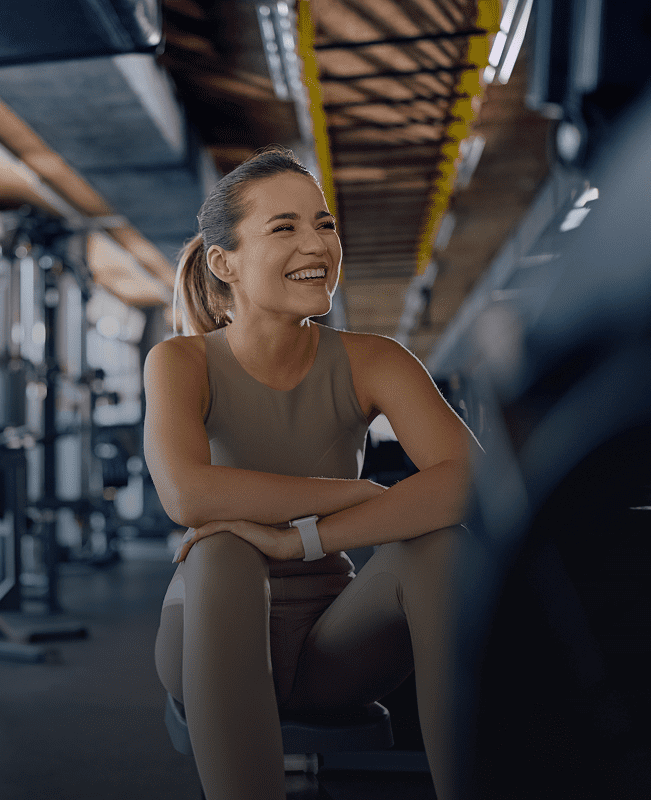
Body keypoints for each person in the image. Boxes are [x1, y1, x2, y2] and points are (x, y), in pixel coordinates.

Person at [145, 145, 479, 800]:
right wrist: (348, 495)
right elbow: (188, 494)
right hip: (212, 634)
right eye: (285, 227)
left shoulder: (374, 359)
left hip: (335, 649)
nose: (318, 244)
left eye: (324, 223)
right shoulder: (181, 362)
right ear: (225, 263)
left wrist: (302, 538)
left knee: (442, 547)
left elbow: (468, 479)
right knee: (219, 549)